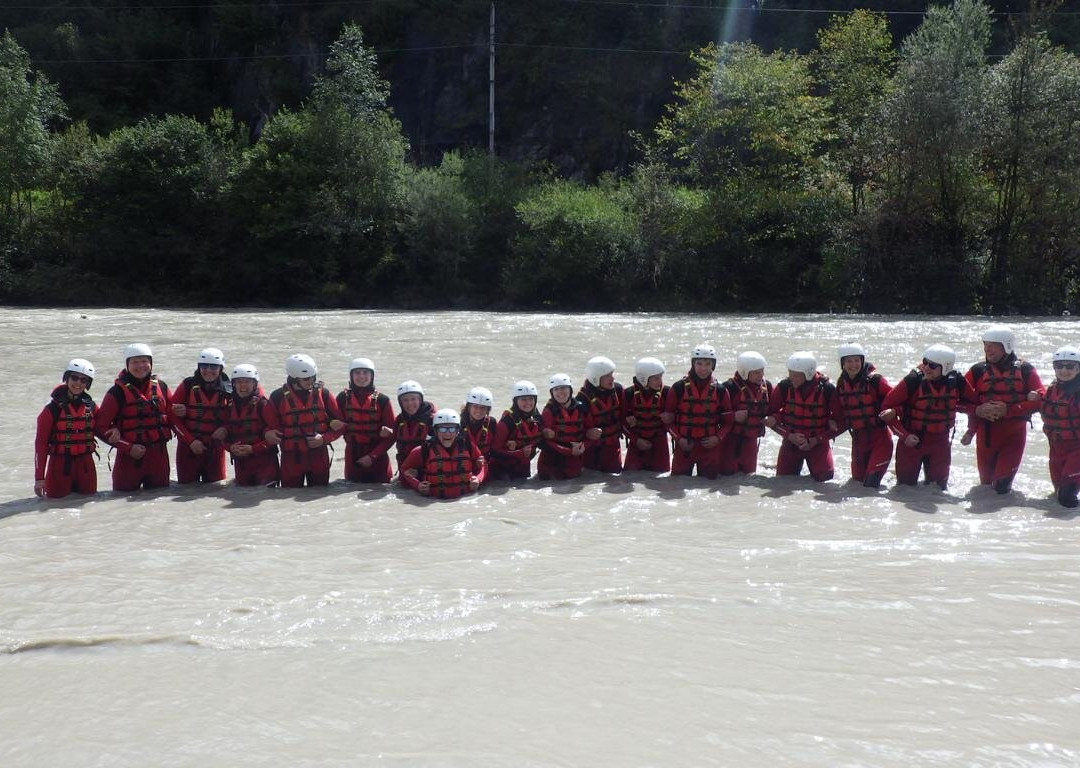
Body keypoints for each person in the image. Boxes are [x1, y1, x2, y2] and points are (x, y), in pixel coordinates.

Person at [879, 344, 978, 489]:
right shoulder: (913, 380)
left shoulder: (957, 382)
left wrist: (970, 432)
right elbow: (886, 408)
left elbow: (975, 407)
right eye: (925, 362)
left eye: (932, 365)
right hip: (911, 443)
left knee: (938, 489)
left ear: (945, 367)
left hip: (940, 443)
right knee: (904, 489)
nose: (926, 367)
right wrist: (904, 436)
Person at [964, 325, 1044, 494]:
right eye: (985, 345)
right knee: (985, 489)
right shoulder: (977, 371)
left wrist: (1010, 409)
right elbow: (953, 400)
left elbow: (1043, 400)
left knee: (1001, 488)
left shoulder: (1025, 370)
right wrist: (977, 410)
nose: (987, 349)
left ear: (1006, 346)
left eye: (992, 345)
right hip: (986, 437)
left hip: (1013, 437)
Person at [96, 343, 173, 492]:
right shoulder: (116, 392)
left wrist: (181, 411)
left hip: (159, 458)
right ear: (127, 365)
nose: (140, 366)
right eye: (135, 362)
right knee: (122, 504)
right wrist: (127, 447)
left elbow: (173, 418)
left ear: (151, 363)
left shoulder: (161, 387)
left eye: (144, 361)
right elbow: (100, 427)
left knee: (160, 503)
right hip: (129, 459)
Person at [263, 354, 344, 488]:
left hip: (319, 457)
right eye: (306, 378)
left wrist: (324, 439)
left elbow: (341, 426)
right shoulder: (277, 397)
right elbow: (267, 426)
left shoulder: (324, 394)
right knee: (289, 497)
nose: (311, 381)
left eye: (313, 377)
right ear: (294, 378)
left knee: (319, 496)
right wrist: (267, 433)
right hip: (291, 459)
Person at [768, 351, 841, 482]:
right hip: (791, 442)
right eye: (790, 373)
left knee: (825, 479)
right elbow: (768, 418)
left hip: (818, 443)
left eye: (795, 375)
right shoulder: (784, 387)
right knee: (783, 481)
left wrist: (817, 440)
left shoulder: (828, 389)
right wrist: (789, 435)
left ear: (808, 374)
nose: (791, 377)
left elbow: (842, 421)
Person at [664, 344, 733, 479]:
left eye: (708, 364)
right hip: (684, 446)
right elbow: (668, 421)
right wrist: (678, 439)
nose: (703, 368)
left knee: (708, 487)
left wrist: (717, 438)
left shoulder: (720, 390)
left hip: (709, 448)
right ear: (693, 364)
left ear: (713, 366)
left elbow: (728, 423)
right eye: (699, 363)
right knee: (677, 483)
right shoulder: (678, 388)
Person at [34, 358, 99, 498]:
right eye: (74, 378)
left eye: (84, 380)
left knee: (90, 507)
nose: (78, 383)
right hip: (59, 467)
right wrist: (39, 478)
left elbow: (105, 429)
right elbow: (40, 445)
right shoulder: (51, 410)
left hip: (86, 467)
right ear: (67, 378)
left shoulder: (92, 407)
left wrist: (124, 443)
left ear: (88, 384)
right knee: (55, 507)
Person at [833, 343, 894, 488]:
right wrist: (832, 422)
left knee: (870, 486)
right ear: (842, 363)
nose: (853, 365)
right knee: (856, 484)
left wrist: (894, 411)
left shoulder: (876, 381)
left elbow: (897, 399)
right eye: (848, 361)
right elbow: (839, 413)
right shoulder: (841, 384)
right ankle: (890, 474)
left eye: (856, 360)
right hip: (858, 441)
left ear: (862, 361)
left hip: (880, 440)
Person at [170, 347, 231, 484]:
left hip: (215, 449)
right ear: (199, 367)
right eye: (204, 366)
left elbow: (241, 412)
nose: (208, 370)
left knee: (215, 490)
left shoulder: (230, 388)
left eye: (214, 367)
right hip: (188, 449)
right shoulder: (187, 385)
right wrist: (190, 441)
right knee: (186, 490)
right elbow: (172, 417)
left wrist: (226, 429)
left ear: (221, 368)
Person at [399, 409, 486, 499]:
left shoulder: (469, 446)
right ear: (435, 431)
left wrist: (478, 479)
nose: (447, 433)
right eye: (442, 429)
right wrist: (417, 485)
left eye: (452, 428)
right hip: (434, 501)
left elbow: (483, 465)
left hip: (466, 500)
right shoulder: (423, 450)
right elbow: (404, 470)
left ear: (457, 431)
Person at [336, 358, 395, 483]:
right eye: (357, 373)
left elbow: (392, 436)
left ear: (372, 376)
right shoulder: (342, 398)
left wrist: (372, 456)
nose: (361, 376)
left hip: (378, 456)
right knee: (350, 491)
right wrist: (331, 424)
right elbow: (331, 425)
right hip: (353, 455)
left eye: (365, 372)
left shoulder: (383, 400)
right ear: (351, 376)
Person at [1036, 346, 1080, 507]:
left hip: (1077, 450)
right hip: (1056, 448)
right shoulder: (1052, 389)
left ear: (1078, 368)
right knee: (1057, 495)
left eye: (1069, 366)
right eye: (1059, 366)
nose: (1064, 370)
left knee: (1066, 498)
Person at [222, 363, 279, 487]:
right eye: (239, 382)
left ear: (254, 384)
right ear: (233, 384)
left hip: (265, 464)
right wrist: (230, 448)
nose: (243, 385)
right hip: (241, 465)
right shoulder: (229, 406)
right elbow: (222, 437)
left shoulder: (263, 405)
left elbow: (277, 437)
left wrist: (253, 449)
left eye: (247, 382)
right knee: (243, 496)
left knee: (265, 500)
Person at [719, 351, 772, 475]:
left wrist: (772, 417)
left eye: (762, 371)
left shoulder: (766, 386)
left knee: (749, 476)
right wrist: (733, 416)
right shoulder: (729, 387)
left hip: (751, 441)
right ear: (744, 372)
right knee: (726, 476)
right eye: (756, 373)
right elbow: (713, 416)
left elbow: (776, 410)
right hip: (730, 441)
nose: (761, 375)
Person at [622, 357, 671, 473]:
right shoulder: (629, 394)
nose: (660, 381)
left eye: (661, 377)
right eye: (656, 378)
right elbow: (621, 422)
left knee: (662, 476)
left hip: (659, 444)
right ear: (644, 379)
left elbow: (675, 420)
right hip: (636, 443)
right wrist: (636, 440)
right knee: (629, 476)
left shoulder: (667, 392)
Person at [539, 373, 590, 480]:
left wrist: (583, 446)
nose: (560, 392)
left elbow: (591, 433)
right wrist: (569, 451)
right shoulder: (549, 411)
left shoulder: (581, 408)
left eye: (563, 388)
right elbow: (544, 442)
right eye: (556, 389)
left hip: (575, 458)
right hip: (552, 460)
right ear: (552, 393)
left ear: (570, 390)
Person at [578, 356, 624, 473]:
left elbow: (625, 415)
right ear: (595, 378)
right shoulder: (582, 399)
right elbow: (576, 428)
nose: (612, 378)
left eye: (612, 374)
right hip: (592, 451)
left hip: (613, 448)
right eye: (607, 376)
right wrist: (587, 433)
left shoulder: (618, 390)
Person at [492, 380, 543, 480]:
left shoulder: (537, 418)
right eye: (523, 399)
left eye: (531, 399)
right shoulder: (506, 422)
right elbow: (494, 451)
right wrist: (519, 453)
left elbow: (541, 443)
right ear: (516, 401)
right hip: (503, 471)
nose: (528, 403)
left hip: (523, 469)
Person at [393, 380, 436, 471]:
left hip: (425, 472)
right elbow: (390, 440)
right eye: (405, 400)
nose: (410, 403)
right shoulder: (399, 420)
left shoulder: (433, 420)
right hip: (405, 471)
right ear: (400, 403)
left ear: (420, 400)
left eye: (413, 399)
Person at [461, 386, 497, 475]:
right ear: (469, 407)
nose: (479, 411)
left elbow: (496, 449)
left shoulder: (492, 423)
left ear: (488, 410)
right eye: (475, 406)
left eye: (483, 408)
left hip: (484, 465)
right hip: (464, 465)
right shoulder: (458, 423)